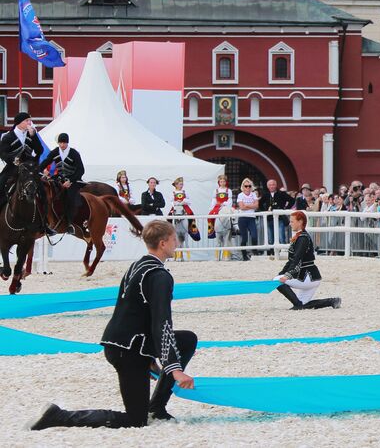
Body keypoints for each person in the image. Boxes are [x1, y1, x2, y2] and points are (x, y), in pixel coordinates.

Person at [29, 221, 197, 429]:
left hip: (125, 342)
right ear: (163, 243)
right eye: (174, 239)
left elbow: (135, 313)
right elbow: (161, 323)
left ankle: (156, 406)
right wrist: (174, 369)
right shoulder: (159, 276)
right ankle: (59, 416)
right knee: (136, 420)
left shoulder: (138, 265)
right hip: (127, 352)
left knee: (187, 339)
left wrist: (153, 356)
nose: (177, 243)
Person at [275, 211, 341, 310]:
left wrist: (287, 276)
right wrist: (281, 273)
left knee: (276, 281)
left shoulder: (303, 238)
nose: (290, 224)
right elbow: (291, 261)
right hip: (313, 277)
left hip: (307, 276)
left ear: (300, 222)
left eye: (292, 222)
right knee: (304, 304)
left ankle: (297, 305)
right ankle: (331, 301)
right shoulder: (301, 237)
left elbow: (297, 259)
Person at [0, 111, 44, 212]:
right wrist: (12, 159)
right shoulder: (8, 136)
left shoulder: (31, 135)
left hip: (29, 168)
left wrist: (34, 136)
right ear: (19, 122)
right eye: (27, 120)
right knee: (1, 184)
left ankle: (44, 220)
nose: (29, 123)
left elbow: (39, 151)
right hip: (13, 168)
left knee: (43, 189)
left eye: (30, 120)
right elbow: (2, 153)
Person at [40, 132, 85, 228]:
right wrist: (37, 170)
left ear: (67, 143)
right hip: (59, 178)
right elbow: (46, 162)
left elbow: (81, 170)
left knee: (70, 197)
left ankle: (70, 223)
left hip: (73, 179)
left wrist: (71, 181)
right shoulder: (55, 152)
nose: (62, 145)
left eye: (64, 143)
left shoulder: (74, 153)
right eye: (60, 143)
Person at [235, 178, 261, 260]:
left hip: (251, 218)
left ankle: (255, 252)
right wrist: (251, 205)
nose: (248, 188)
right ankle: (244, 255)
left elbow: (256, 206)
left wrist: (247, 205)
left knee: (254, 236)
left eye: (249, 186)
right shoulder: (240, 195)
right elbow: (241, 207)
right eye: (246, 186)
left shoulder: (253, 194)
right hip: (242, 218)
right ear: (243, 186)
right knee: (244, 238)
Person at [267, 178, 295, 244]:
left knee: (281, 236)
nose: (272, 186)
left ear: (276, 185)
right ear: (268, 186)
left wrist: (286, 209)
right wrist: (265, 209)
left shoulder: (282, 194)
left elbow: (292, 200)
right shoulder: (266, 194)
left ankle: (283, 250)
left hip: (280, 218)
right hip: (270, 218)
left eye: (273, 184)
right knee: (271, 237)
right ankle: (272, 252)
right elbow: (260, 204)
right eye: (270, 185)